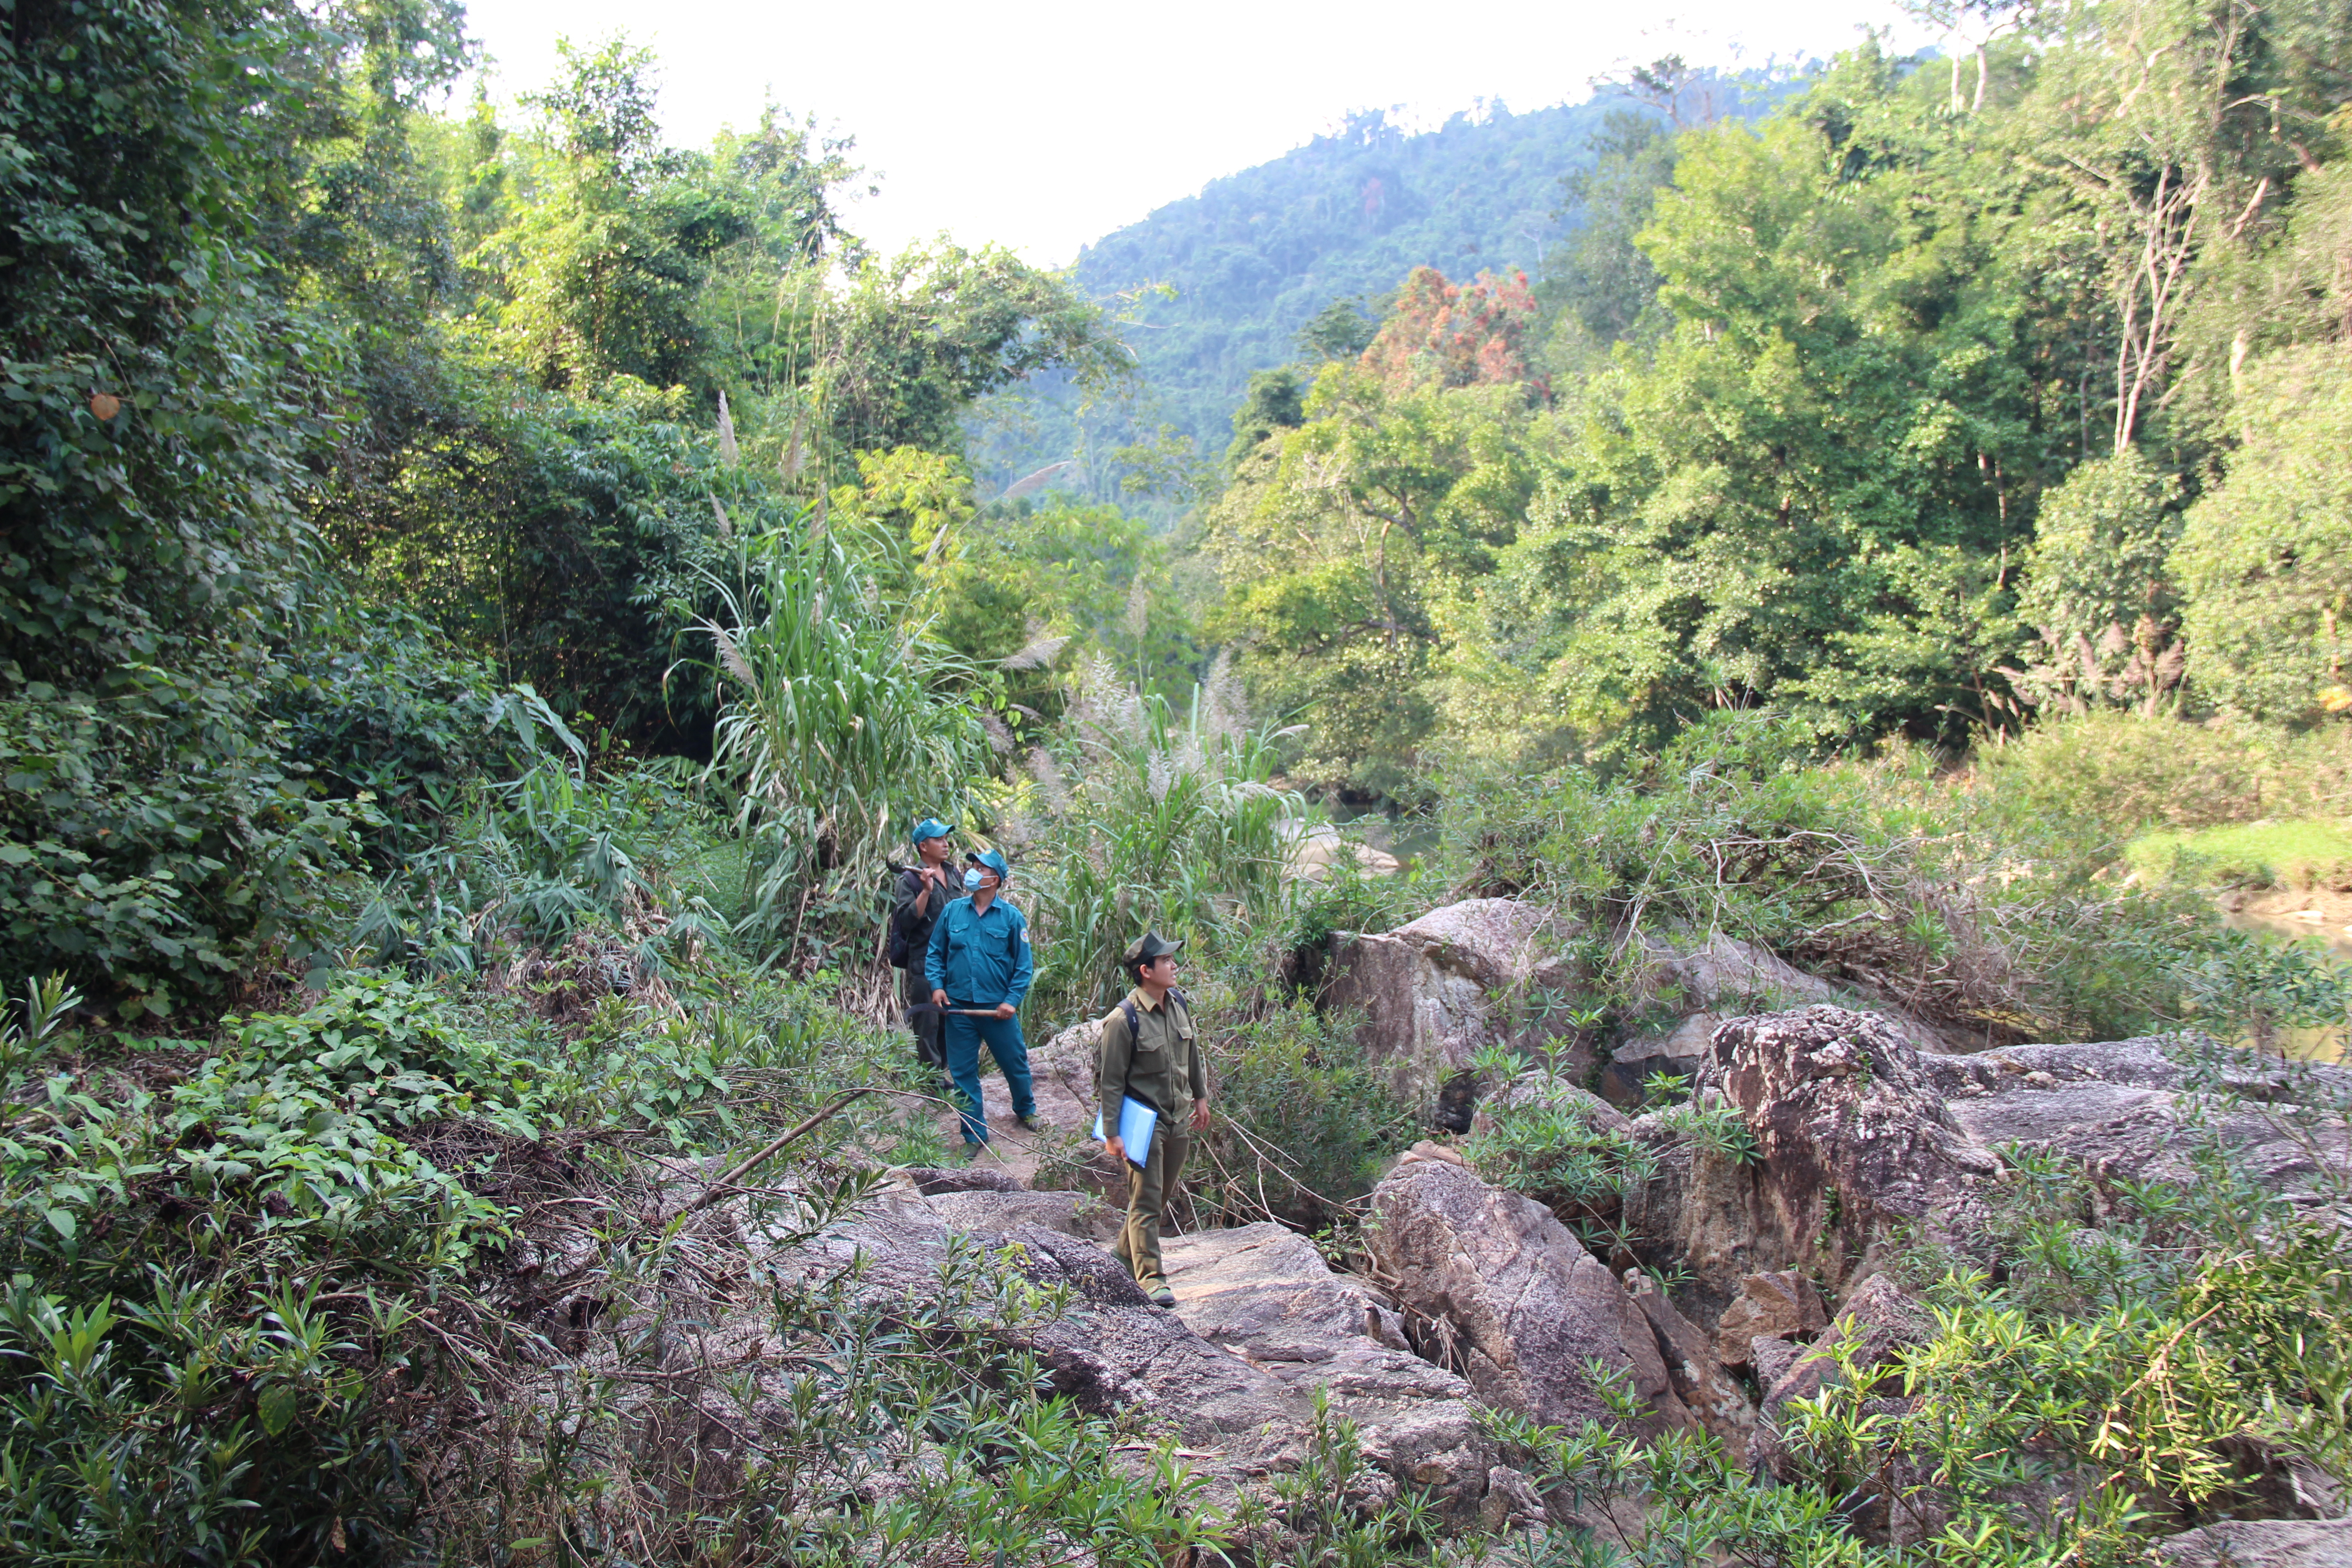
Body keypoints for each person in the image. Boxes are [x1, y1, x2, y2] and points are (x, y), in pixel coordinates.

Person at [1096, 931, 1211, 1308]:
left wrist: (1200, 1097)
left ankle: (1122, 1256)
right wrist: (1112, 1133)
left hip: (1178, 1117)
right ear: (1146, 971)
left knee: (1158, 1197)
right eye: (1166, 961)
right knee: (1146, 1200)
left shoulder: (1178, 1002)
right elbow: (1111, 1083)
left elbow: (1192, 1053)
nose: (1174, 966)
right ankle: (1152, 1279)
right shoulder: (1123, 1020)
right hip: (1144, 1123)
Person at [925, 848, 1039, 1157]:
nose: (972, 871)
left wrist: (1011, 1001)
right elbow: (935, 953)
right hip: (959, 1008)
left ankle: (1026, 1109)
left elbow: (1023, 966)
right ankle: (974, 1135)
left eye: (981, 868)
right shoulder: (953, 911)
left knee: (1014, 1063)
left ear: (996, 879)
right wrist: (937, 987)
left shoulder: (1012, 918)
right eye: (972, 865)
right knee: (963, 1074)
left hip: (997, 1010)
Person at [892, 818, 957, 1089]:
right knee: (928, 1022)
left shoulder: (954, 873)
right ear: (923, 846)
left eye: (946, 839)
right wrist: (926, 892)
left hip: (955, 961)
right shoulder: (909, 880)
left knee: (951, 1021)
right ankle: (931, 1083)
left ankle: (944, 1074)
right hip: (926, 962)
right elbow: (907, 922)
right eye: (939, 840)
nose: (946, 844)